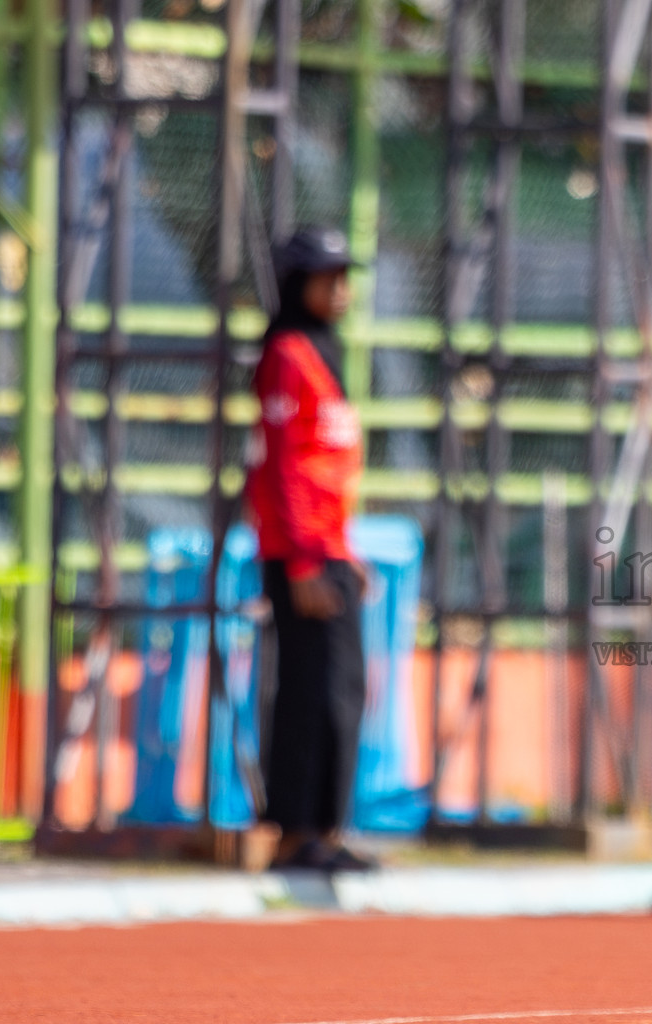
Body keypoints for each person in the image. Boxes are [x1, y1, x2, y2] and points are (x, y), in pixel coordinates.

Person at [245, 225, 374, 873]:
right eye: (328, 277)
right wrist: (302, 563)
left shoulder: (327, 351)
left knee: (344, 689)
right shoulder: (287, 354)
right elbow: (283, 469)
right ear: (299, 283)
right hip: (299, 555)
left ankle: (327, 827)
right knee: (307, 689)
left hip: (329, 549)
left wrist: (345, 552)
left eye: (343, 276)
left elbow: (329, 468)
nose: (340, 289)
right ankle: (294, 832)